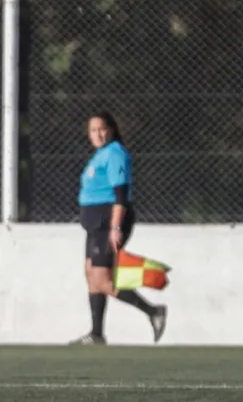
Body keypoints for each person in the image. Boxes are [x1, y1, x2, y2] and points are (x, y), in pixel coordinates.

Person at [69, 111, 167, 345]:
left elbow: (120, 194)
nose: (98, 134)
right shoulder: (100, 155)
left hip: (108, 221)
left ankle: (153, 312)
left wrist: (115, 227)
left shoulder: (115, 154)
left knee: (102, 280)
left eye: (102, 129)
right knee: (92, 277)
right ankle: (96, 333)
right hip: (95, 224)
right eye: (93, 130)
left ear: (111, 129)